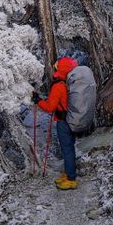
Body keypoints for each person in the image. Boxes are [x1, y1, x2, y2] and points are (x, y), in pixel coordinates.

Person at [32, 57, 78, 190]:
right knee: (70, 148)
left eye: (57, 66)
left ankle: (71, 179)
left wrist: (38, 101)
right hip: (72, 120)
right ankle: (69, 173)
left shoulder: (58, 85)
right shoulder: (69, 83)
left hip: (63, 122)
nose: (55, 68)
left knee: (67, 150)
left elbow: (50, 107)